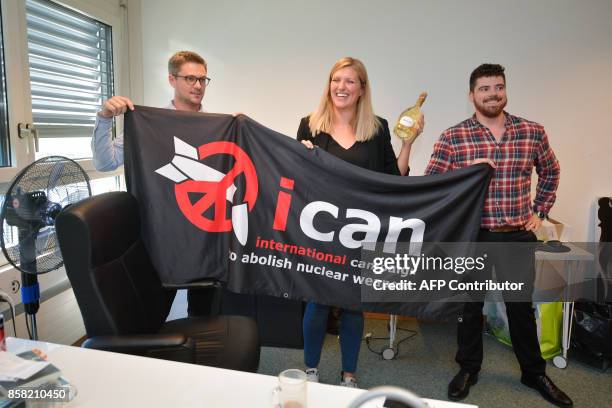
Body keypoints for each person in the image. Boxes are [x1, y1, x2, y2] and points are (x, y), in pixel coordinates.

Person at [425, 63, 572, 407]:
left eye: (498, 87)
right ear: (472, 95)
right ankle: (468, 368)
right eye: (485, 88)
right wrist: (466, 176)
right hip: (473, 236)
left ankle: (533, 372)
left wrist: (540, 211)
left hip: (516, 236)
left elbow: (551, 170)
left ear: (505, 90)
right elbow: (433, 184)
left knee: (520, 308)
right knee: (469, 306)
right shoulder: (454, 137)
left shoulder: (531, 131)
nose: (493, 94)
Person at [298, 57, 423, 388]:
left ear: (362, 88)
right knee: (317, 301)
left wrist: (408, 144)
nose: (341, 86)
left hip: (360, 231)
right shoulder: (309, 125)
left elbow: (393, 180)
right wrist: (302, 156)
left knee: (354, 305)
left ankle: (349, 374)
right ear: (329, 85)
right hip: (322, 231)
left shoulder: (378, 127)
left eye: (350, 81)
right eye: (336, 80)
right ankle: (310, 369)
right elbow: (296, 177)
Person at [91, 50, 213, 317]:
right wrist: (103, 118)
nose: (198, 86)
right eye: (190, 78)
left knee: (205, 319)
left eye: (203, 80)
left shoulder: (215, 127)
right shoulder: (149, 125)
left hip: (203, 235)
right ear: (172, 79)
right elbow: (105, 163)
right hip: (158, 233)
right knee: (150, 315)